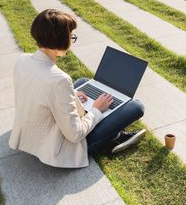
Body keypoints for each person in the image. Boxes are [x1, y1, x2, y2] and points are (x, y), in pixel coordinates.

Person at [9, 9, 146, 168]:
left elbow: (38, 91)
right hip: (59, 148)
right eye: (71, 36)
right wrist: (96, 110)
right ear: (61, 39)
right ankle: (113, 139)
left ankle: (113, 137)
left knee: (83, 81)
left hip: (30, 133)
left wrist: (71, 95)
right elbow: (75, 135)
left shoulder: (22, 60)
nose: (72, 40)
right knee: (136, 106)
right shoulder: (59, 80)